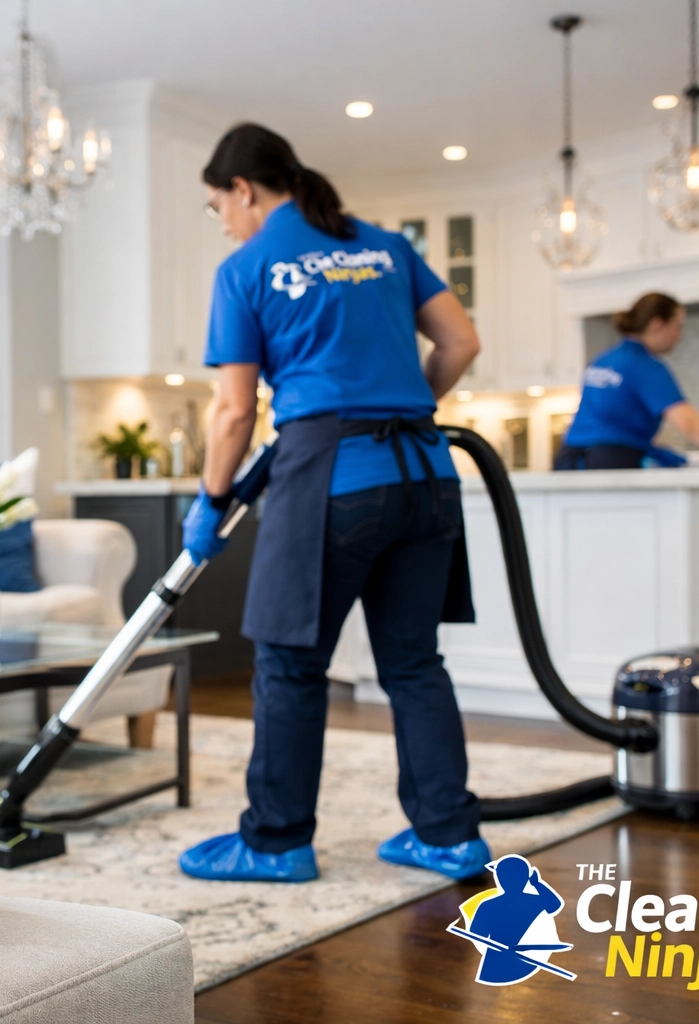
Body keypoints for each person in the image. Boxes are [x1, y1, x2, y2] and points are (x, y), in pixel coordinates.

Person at [176, 123, 490, 884]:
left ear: (244, 190)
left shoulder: (247, 265)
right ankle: (447, 835)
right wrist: (407, 405)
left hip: (329, 479)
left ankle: (276, 842)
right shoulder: (386, 245)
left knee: (289, 665)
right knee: (415, 664)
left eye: (219, 204)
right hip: (425, 473)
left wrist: (211, 500)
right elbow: (461, 343)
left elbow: (232, 412)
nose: (222, 220)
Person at [554, 292, 699, 470]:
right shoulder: (645, 365)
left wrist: (650, 449)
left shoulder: (603, 360)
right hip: (608, 464)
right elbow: (689, 423)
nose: (680, 336)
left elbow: (609, 424)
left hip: (568, 461)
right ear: (656, 325)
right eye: (677, 326)